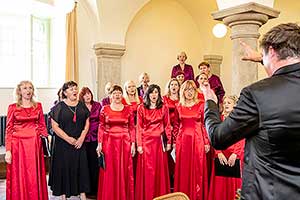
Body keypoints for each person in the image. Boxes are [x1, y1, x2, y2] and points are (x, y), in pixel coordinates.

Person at [202, 23, 300, 199]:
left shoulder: (257, 94)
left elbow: (218, 137)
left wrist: (210, 103)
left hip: (268, 193)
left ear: (271, 51)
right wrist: (264, 58)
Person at [5, 80, 48, 200]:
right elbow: (8, 130)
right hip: (18, 145)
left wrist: (48, 138)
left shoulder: (38, 106)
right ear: (19, 91)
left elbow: (42, 126)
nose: (28, 90)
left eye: (30, 88)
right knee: (19, 175)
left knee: (34, 175)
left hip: (34, 145)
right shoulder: (12, 107)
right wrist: (8, 150)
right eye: (24, 88)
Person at [49, 81, 90, 200]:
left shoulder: (82, 105)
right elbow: (54, 127)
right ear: (65, 92)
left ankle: (83, 195)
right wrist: (68, 139)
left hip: (79, 143)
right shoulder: (59, 107)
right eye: (71, 89)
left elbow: (87, 123)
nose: (75, 91)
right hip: (63, 144)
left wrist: (82, 138)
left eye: (76, 88)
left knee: (81, 168)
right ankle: (63, 196)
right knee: (64, 169)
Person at [96, 85, 136, 200]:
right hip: (109, 143)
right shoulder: (105, 109)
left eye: (119, 93)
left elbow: (132, 127)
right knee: (109, 170)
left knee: (124, 170)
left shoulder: (128, 109)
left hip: (125, 143)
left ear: (122, 95)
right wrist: (99, 144)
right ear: (110, 96)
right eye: (114, 93)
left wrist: (133, 143)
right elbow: (101, 127)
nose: (117, 95)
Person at [172, 80, 209, 200]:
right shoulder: (178, 106)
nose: (189, 92)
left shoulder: (201, 105)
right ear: (183, 91)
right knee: (183, 171)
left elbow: (204, 125)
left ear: (195, 91)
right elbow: (176, 126)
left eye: (192, 89)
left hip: (198, 140)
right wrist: (174, 143)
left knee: (197, 169)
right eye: (187, 89)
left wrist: (206, 142)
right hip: (182, 141)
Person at [135, 84, 172, 200]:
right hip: (146, 144)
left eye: (156, 92)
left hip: (159, 143)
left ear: (159, 94)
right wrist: (139, 144)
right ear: (148, 94)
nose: (154, 95)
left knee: (159, 171)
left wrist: (169, 142)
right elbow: (139, 127)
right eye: (151, 92)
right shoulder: (141, 108)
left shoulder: (164, 107)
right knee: (148, 172)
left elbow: (167, 125)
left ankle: (160, 196)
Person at [208, 95, 244, 200]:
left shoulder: (239, 120)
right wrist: (218, 153)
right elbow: (214, 136)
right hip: (221, 156)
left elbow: (242, 138)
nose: (226, 105)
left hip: (235, 156)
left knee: (235, 187)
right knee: (220, 187)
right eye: (224, 103)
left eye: (229, 103)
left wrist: (235, 154)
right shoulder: (218, 119)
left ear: (235, 105)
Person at [79, 87, 102, 197]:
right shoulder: (79, 106)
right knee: (85, 164)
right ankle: (86, 189)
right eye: (85, 94)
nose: (88, 96)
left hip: (96, 138)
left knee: (95, 164)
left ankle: (95, 189)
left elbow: (102, 121)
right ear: (82, 97)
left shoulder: (98, 105)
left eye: (89, 94)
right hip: (84, 138)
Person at [163, 78, 180, 191]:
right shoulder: (164, 99)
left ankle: (177, 176)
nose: (174, 86)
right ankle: (169, 178)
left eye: (176, 85)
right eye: (172, 85)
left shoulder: (182, 99)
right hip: (168, 129)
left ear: (179, 87)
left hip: (179, 129)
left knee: (178, 153)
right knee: (169, 155)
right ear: (169, 87)